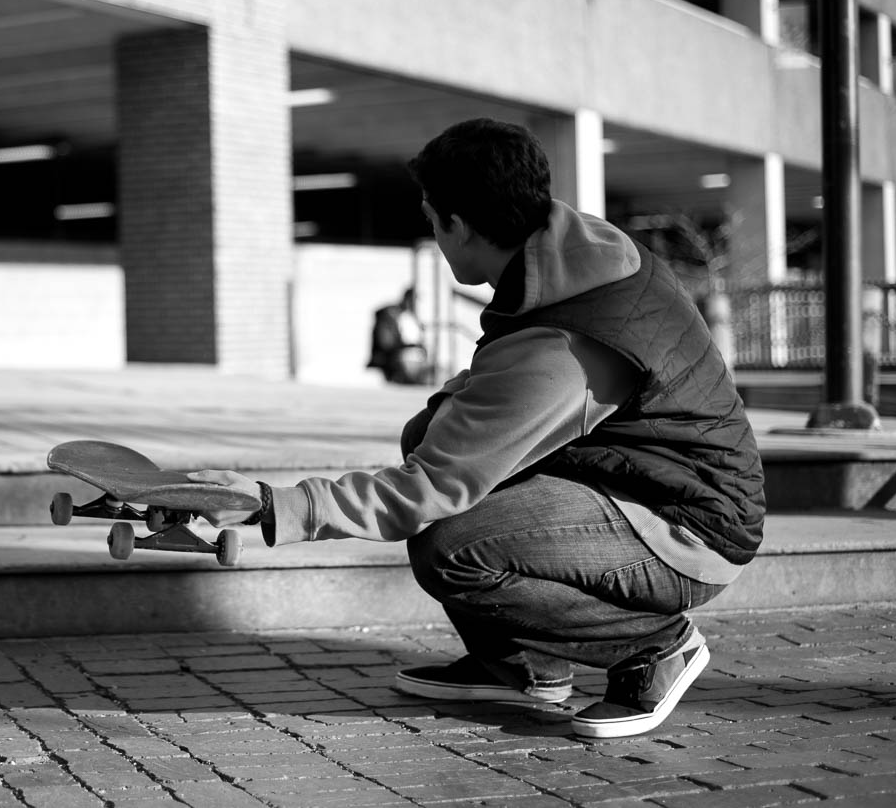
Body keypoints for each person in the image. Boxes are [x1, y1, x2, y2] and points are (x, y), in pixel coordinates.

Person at [191, 118, 764, 740]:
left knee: (452, 544)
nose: (434, 239)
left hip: (688, 526)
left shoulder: (564, 344)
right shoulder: (574, 249)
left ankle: (655, 647)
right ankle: (523, 665)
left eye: (433, 222)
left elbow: (429, 488)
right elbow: (468, 419)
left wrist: (276, 505)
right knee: (432, 433)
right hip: (650, 484)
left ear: (459, 225)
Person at [368, 287, 430, 384]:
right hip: (398, 357)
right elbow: (387, 342)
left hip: (411, 357)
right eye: (413, 301)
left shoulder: (411, 317)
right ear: (407, 299)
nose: (415, 304)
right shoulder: (393, 315)